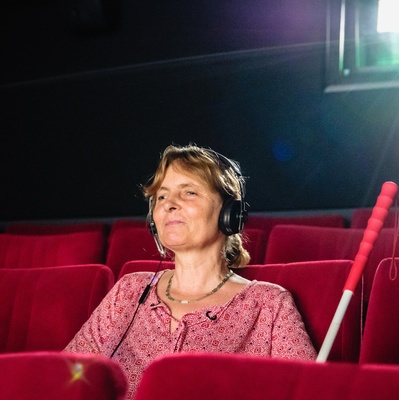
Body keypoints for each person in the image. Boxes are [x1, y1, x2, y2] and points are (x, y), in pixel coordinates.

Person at [64, 144, 317, 399]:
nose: (169, 204)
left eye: (189, 192)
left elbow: (310, 392)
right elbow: (66, 376)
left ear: (229, 213)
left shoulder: (269, 305)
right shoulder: (128, 292)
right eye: (162, 196)